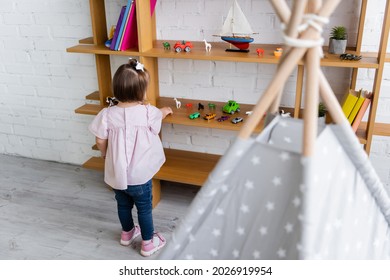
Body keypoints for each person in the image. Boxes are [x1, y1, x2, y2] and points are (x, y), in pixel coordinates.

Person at [88, 58, 173, 257]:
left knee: (123, 204)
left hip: (118, 174)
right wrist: (165, 111)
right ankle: (148, 243)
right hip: (140, 175)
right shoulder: (148, 112)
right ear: (141, 92)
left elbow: (100, 140)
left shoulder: (106, 114)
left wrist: (104, 154)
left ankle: (127, 234)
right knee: (144, 208)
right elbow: (157, 118)